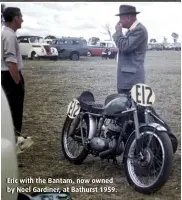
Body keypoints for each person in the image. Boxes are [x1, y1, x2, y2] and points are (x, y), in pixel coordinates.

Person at [112, 5, 178, 153]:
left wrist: (117, 33)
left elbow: (125, 46)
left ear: (129, 17)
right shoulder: (133, 31)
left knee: (140, 113)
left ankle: (162, 141)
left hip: (131, 79)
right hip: (127, 77)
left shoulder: (139, 30)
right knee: (131, 113)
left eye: (121, 18)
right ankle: (134, 144)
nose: (120, 21)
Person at [1, 7, 33, 154]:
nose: (22, 20)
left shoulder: (5, 33)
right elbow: (11, 61)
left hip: (6, 76)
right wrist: (17, 82)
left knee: (9, 112)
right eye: (21, 17)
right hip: (9, 77)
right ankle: (12, 150)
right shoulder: (9, 35)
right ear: (15, 19)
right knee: (14, 113)